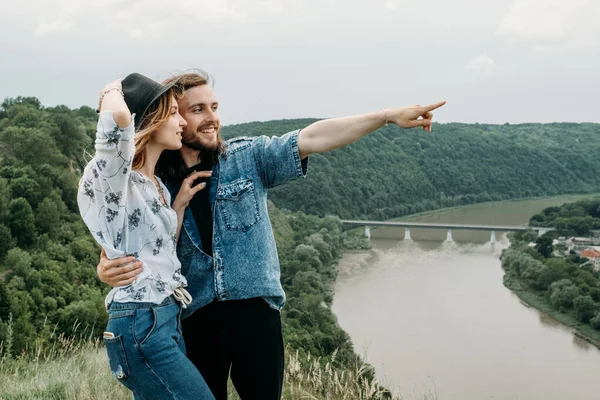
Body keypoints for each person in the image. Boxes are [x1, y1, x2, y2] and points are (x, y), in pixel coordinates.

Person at [96, 70, 446, 400]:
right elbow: (124, 245)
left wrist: (386, 116)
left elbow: (312, 137)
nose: (211, 117)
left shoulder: (247, 158)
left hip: (255, 314)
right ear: (175, 118)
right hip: (194, 319)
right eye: (197, 109)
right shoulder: (153, 182)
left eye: (214, 107)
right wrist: (106, 269)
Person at [77, 73, 215, 399]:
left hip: (165, 318)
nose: (181, 121)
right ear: (150, 120)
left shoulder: (153, 185)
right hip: (141, 322)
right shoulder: (116, 180)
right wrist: (112, 89)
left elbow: (161, 249)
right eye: (172, 113)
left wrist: (177, 205)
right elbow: (120, 120)